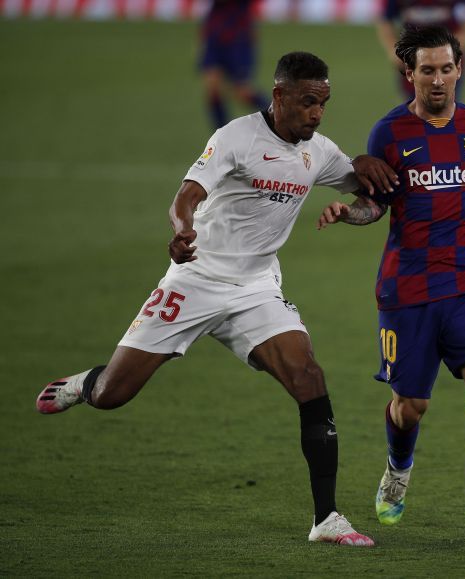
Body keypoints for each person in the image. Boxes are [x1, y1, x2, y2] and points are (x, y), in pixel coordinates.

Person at [36, 51, 399, 547]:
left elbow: (371, 199)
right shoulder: (236, 137)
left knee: (309, 377)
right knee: (113, 396)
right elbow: (185, 195)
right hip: (194, 279)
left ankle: (326, 518)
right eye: (308, 102)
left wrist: (365, 178)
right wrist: (183, 231)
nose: (317, 114)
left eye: (324, 103)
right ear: (279, 96)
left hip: (255, 289)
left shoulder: (319, 152)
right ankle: (87, 383)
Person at [317, 26, 465, 532]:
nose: (437, 80)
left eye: (445, 69)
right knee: (411, 405)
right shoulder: (389, 134)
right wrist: (349, 213)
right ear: (409, 73)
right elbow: (375, 206)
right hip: (408, 288)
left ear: (459, 69)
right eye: (426, 70)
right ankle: (397, 472)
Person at [376, 0, 465, 100]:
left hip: (447, 57)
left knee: (446, 107)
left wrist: (463, 36)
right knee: (415, 108)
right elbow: (385, 20)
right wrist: (393, 50)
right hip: (413, 58)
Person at [200, 0, 270, 128]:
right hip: (215, 35)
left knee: (243, 92)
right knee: (213, 87)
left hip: (238, 38)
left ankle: (281, 115)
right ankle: (222, 136)